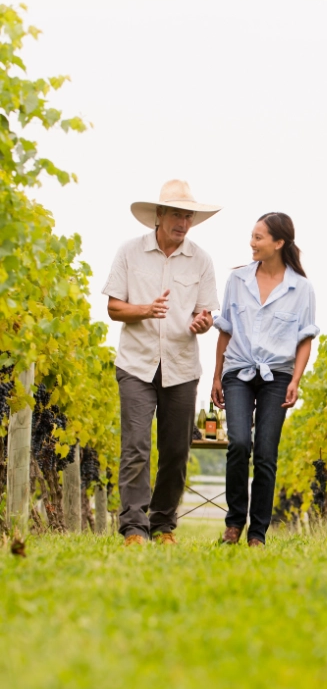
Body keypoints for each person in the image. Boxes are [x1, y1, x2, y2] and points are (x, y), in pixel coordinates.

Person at [103, 179, 221, 546]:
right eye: (176, 214)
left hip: (182, 367)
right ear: (159, 215)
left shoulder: (201, 260)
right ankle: (133, 528)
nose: (183, 222)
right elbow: (113, 307)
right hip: (136, 365)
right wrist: (145, 310)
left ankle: (163, 525)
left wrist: (203, 323)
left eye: (188, 216)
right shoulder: (129, 253)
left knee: (176, 450)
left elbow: (206, 315)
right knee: (136, 446)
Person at [212, 212, 319, 547]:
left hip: (278, 375)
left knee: (265, 453)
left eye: (259, 237)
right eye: (252, 236)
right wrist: (216, 375)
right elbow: (225, 332)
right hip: (238, 370)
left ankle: (257, 533)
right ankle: (234, 524)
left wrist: (296, 380)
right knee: (240, 442)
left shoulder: (301, 288)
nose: (252, 243)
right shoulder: (237, 281)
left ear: (279, 242)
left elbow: (305, 339)